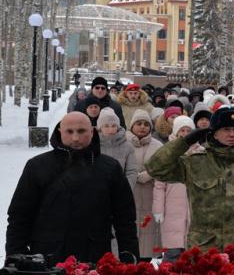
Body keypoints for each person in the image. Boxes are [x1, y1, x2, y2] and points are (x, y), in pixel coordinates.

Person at [5, 112, 138, 263]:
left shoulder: (110, 168)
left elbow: (125, 218)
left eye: (81, 131)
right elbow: (20, 216)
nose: (75, 138)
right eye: (69, 131)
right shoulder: (37, 166)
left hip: (95, 259)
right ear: (60, 132)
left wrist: (129, 254)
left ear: (92, 132)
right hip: (47, 261)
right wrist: (16, 256)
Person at [146, 107, 234, 250]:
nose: (232, 134)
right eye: (226, 129)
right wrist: (184, 142)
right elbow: (155, 168)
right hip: (206, 253)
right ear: (215, 134)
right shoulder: (196, 163)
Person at [153, 117, 197, 261]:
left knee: (193, 248)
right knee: (173, 249)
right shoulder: (169, 152)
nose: (185, 133)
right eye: (182, 130)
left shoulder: (200, 152)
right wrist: (158, 209)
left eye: (188, 131)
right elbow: (159, 185)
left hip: (194, 205)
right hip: (172, 209)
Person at [127, 109, 163, 261]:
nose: (142, 127)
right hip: (130, 192)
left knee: (148, 227)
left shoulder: (158, 145)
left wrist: (149, 175)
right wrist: (133, 176)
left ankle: (146, 259)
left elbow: (164, 166)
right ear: (132, 126)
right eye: (138, 123)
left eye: (146, 124)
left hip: (150, 193)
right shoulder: (124, 144)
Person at [97, 108, 139, 190]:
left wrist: (125, 190)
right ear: (100, 128)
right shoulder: (93, 145)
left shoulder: (128, 147)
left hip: (119, 192)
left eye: (113, 126)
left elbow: (132, 171)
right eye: (106, 126)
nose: (110, 130)